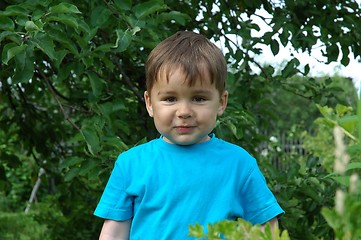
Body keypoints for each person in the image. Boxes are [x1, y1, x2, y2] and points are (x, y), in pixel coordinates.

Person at [94, 31, 284, 239]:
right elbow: (113, 233)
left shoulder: (239, 164)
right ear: (149, 103)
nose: (184, 111)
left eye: (199, 98)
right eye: (170, 99)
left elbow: (268, 230)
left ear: (221, 102)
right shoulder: (130, 164)